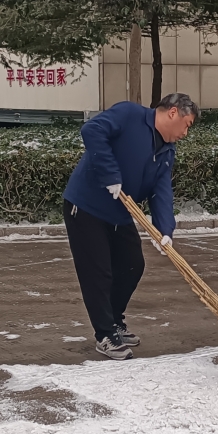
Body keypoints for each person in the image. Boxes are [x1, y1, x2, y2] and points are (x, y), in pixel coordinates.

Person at [62, 93, 199, 360]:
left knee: (132, 264)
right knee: (98, 271)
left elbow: (161, 192)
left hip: (120, 213)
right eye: (187, 124)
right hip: (87, 207)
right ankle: (104, 334)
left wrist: (164, 231)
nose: (185, 133)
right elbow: (92, 130)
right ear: (173, 113)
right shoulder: (129, 115)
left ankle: (114, 320)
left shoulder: (167, 150)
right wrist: (110, 174)